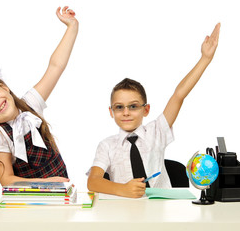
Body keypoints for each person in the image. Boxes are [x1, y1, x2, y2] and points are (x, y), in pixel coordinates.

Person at [0, 6, 78, 209]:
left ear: (4, 87)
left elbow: (55, 67)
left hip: (60, 197)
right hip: (30, 204)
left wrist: (72, 27)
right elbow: (6, 179)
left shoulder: (30, 104)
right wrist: (47, 185)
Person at [87, 23, 221, 198]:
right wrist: (124, 189)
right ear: (111, 112)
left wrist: (205, 59)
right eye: (119, 107)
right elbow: (93, 182)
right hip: (124, 211)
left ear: (146, 109)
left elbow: (178, 95)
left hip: (160, 211)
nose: (126, 112)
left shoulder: (156, 131)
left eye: (133, 106)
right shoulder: (107, 145)